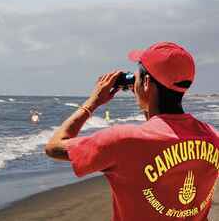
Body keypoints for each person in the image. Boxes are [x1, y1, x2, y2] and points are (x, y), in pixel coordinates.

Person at [45, 42, 219, 220]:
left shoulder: (122, 141)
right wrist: (145, 97)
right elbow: (160, 129)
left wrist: (93, 102)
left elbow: (53, 147)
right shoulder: (213, 137)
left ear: (146, 82)